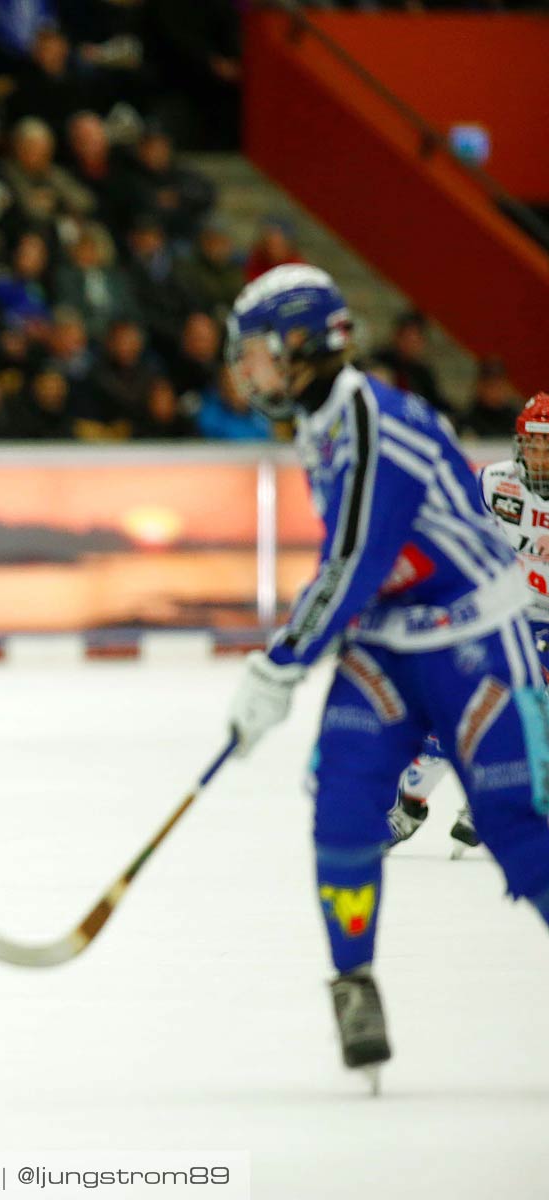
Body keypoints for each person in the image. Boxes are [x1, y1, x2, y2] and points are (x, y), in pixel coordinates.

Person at [222, 266, 549, 1087]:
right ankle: (354, 982)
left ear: (305, 346)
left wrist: (278, 667)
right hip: (391, 643)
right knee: (342, 802)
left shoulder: (375, 425)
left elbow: (356, 559)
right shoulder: (321, 420)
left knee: (518, 829)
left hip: (474, 639)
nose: (248, 371)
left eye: (258, 353)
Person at [386, 392, 549, 852]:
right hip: (497, 612)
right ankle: (409, 802)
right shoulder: (495, 483)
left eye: (547, 446)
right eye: (530, 444)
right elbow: (449, 527)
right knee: (456, 712)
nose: (537, 456)